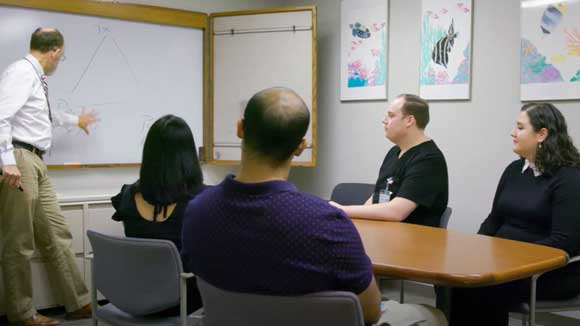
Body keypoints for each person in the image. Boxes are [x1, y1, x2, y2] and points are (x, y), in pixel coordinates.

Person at [181, 87, 446, 326]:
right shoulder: (323, 223)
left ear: (240, 128)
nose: (384, 120)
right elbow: (370, 312)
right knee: (431, 315)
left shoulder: (197, 211)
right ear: (300, 147)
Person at [449, 103, 580, 326]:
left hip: (550, 271)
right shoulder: (513, 170)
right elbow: (494, 219)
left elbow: (563, 241)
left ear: (541, 134)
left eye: (520, 127)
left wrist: (512, 261)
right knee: (457, 279)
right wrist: (476, 249)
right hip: (504, 265)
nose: (513, 133)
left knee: (482, 290)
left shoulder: (568, 178)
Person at [0, 28, 96, 325]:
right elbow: (0, 115)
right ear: (54, 51)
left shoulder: (34, 77)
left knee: (57, 234)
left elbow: (41, 115)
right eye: (62, 56)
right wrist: (6, 161)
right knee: (19, 241)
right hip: (19, 159)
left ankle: (78, 302)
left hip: (35, 162)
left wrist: (74, 120)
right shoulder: (21, 72)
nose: (60, 61)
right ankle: (22, 313)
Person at [111, 114, 205, 315]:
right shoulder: (202, 200)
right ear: (188, 156)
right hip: (181, 303)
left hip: (133, 297)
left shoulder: (126, 196)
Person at [330, 94, 448, 228]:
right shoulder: (394, 152)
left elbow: (396, 212)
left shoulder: (429, 160)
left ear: (409, 121)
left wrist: (342, 210)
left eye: (391, 116)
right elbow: (376, 197)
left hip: (414, 242)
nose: (384, 120)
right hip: (384, 233)